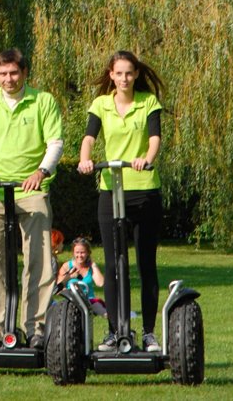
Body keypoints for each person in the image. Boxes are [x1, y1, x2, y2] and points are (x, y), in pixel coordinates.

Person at [0, 48, 64, 349]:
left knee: (39, 261)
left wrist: (41, 171)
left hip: (32, 191)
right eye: (2, 74)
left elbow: (56, 143)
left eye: (14, 73)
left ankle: (36, 328)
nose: (8, 79)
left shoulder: (43, 101)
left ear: (24, 73)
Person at [77, 50, 164, 352]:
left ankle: (150, 333)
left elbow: (155, 138)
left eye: (130, 73)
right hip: (110, 190)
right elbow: (89, 137)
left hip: (143, 190)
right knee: (114, 265)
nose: (125, 78)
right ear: (111, 75)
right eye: (119, 73)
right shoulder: (101, 104)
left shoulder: (148, 102)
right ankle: (115, 331)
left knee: (145, 263)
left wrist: (146, 159)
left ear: (136, 74)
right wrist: (86, 160)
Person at [55, 238, 106, 316]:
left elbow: (100, 283)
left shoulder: (91, 267)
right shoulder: (67, 266)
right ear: (73, 253)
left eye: (82, 252)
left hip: (89, 300)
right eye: (77, 252)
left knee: (104, 312)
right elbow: (58, 288)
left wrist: (94, 265)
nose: (79, 255)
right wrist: (69, 277)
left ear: (88, 253)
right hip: (72, 301)